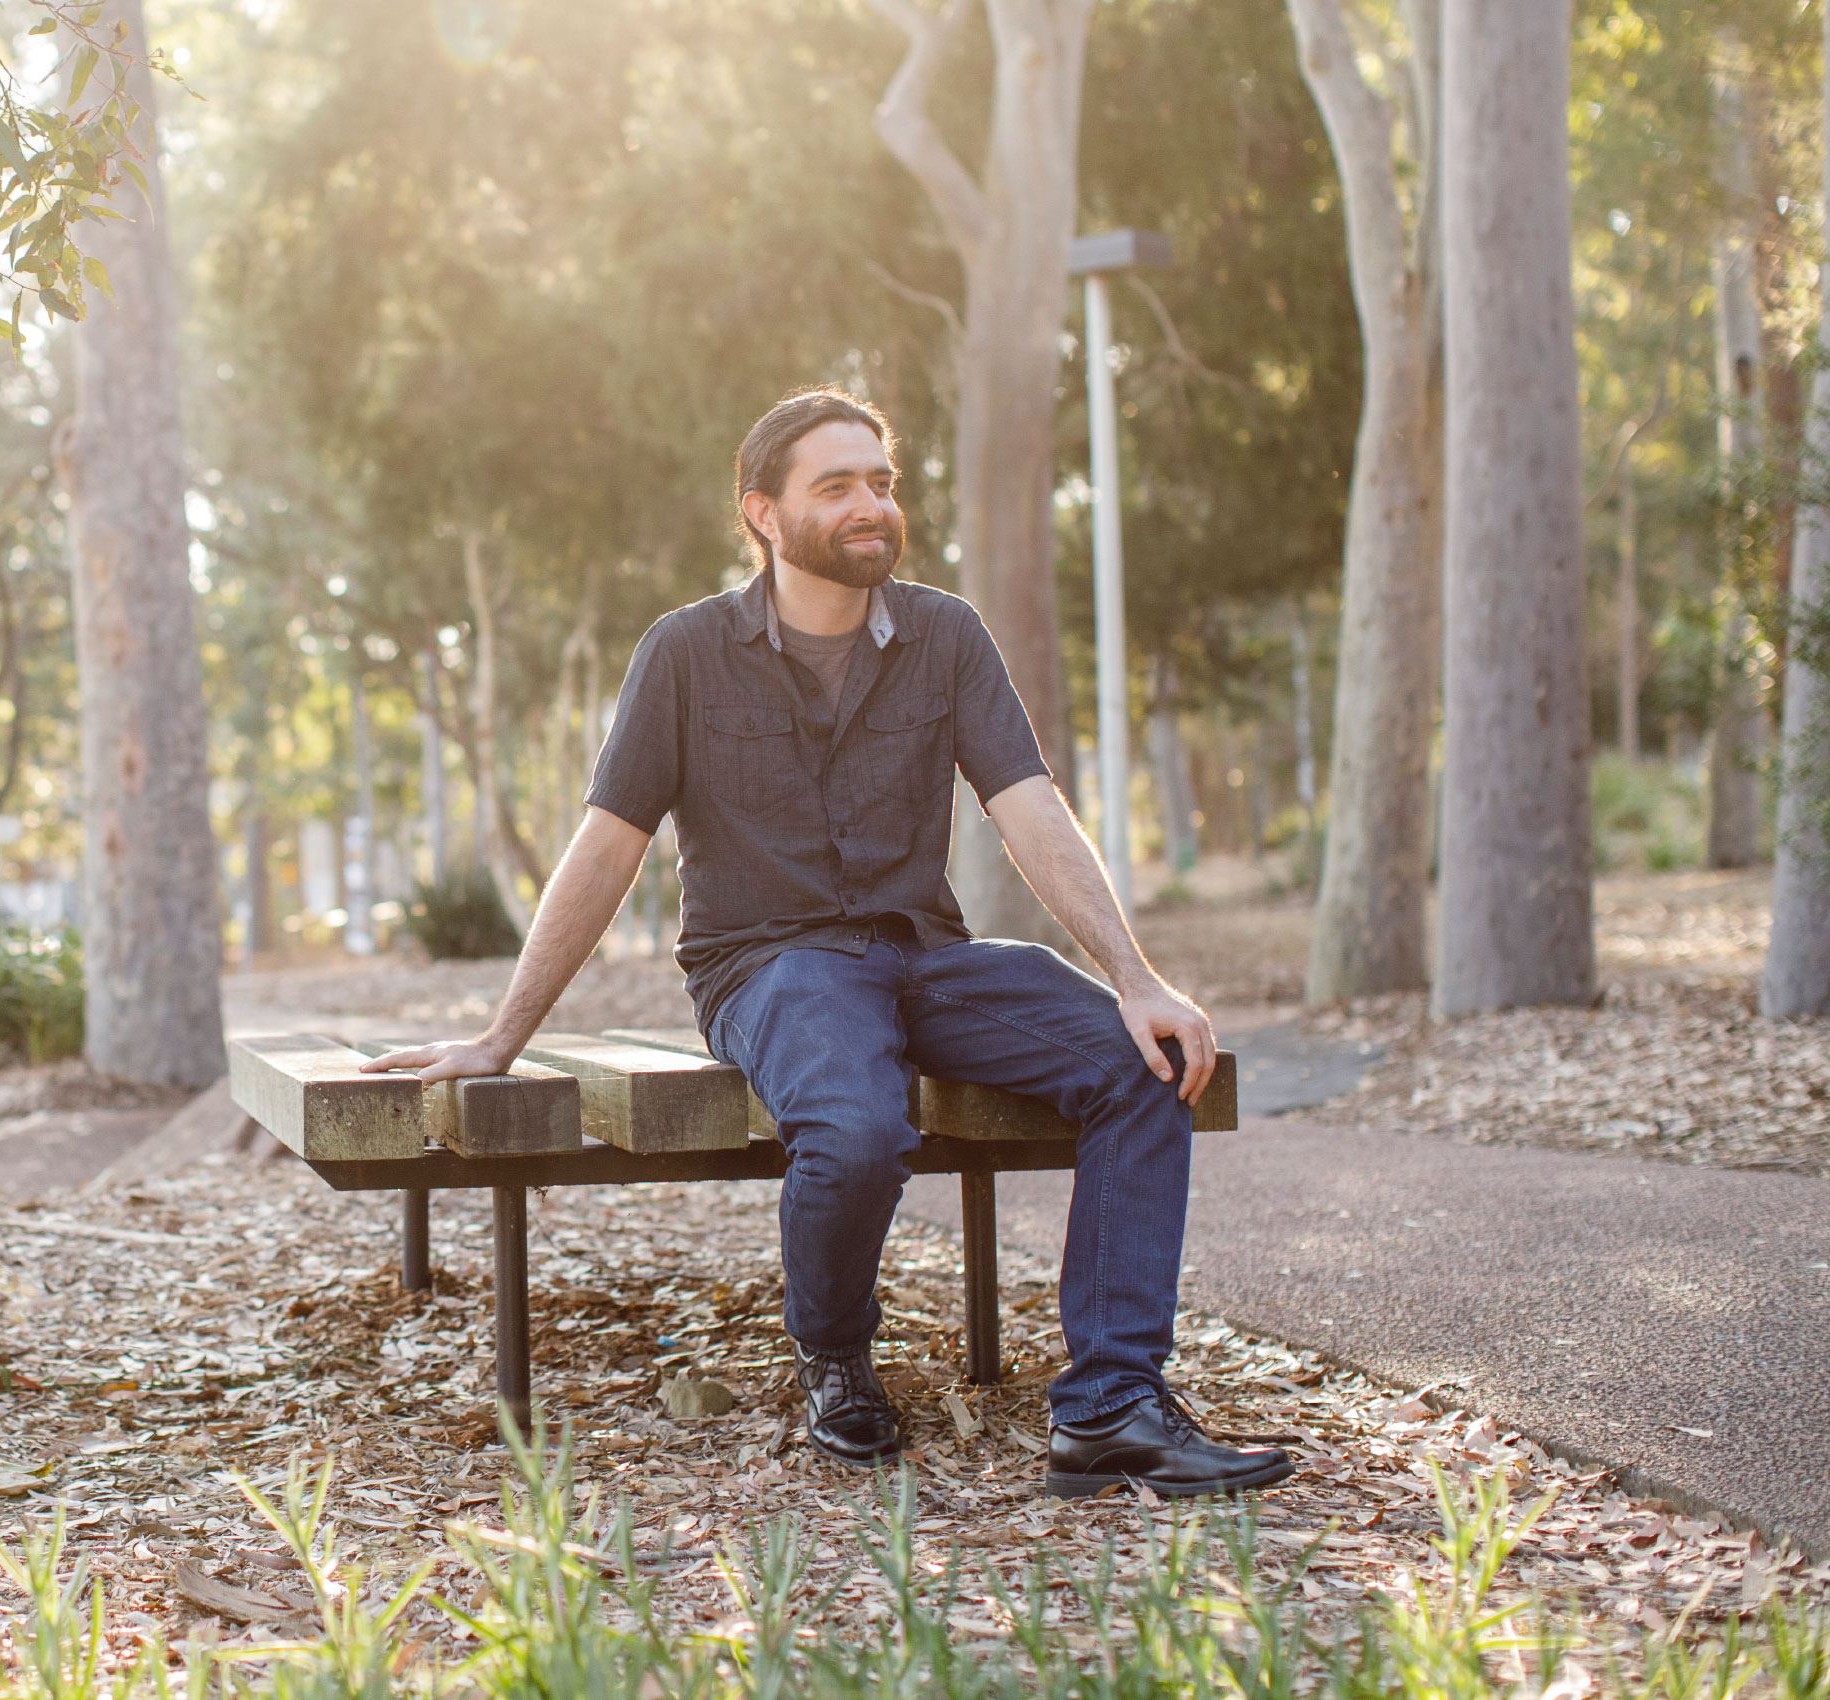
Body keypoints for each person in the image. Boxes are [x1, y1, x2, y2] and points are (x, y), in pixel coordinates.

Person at [360, 387, 1292, 1500]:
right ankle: (837, 1353)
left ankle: (1110, 1408)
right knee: (855, 1124)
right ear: (763, 511)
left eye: (882, 481)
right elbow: (607, 848)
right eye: (837, 484)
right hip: (769, 965)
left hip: (924, 955)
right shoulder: (686, 652)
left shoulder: (945, 634)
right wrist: (502, 1035)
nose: (871, 504)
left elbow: (1029, 804)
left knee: (1139, 1065)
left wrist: (1137, 978)